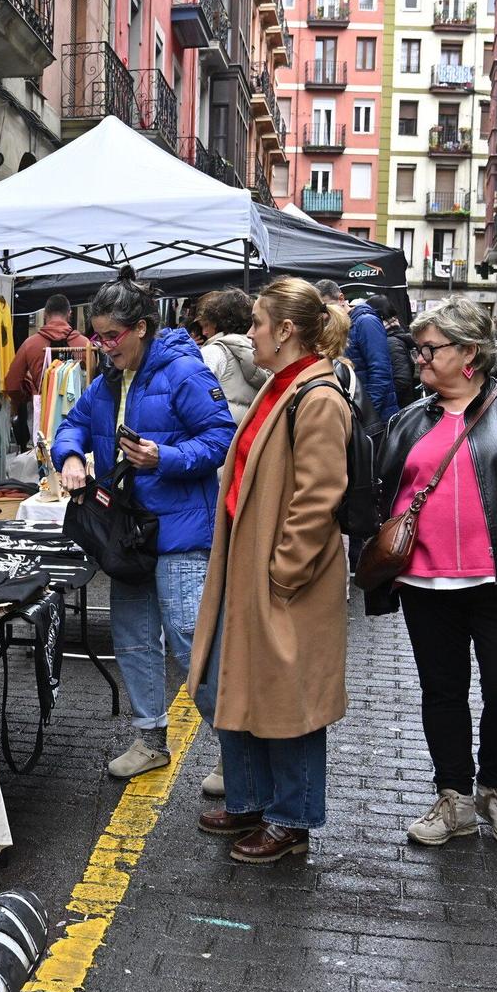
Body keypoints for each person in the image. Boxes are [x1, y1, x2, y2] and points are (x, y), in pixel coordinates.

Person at [369, 296, 497, 851]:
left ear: (469, 352)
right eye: (418, 349)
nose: (418, 358)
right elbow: (385, 494)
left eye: (429, 348)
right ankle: (454, 797)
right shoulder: (408, 419)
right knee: (442, 691)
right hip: (426, 582)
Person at [187, 279, 352, 864]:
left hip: (284, 579)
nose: (249, 331)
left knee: (291, 699)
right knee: (240, 685)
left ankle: (291, 818)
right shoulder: (281, 386)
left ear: (285, 331)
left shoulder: (318, 397)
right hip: (250, 568)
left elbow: (318, 498)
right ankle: (253, 800)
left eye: (257, 322)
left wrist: (283, 573)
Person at [55, 267, 236, 780]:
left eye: (112, 336)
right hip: (127, 532)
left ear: (142, 327)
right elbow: (72, 423)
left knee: (188, 638)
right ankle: (150, 739)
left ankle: (232, 750)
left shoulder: (184, 371)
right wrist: (69, 456)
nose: (104, 345)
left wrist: (165, 457)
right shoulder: (107, 379)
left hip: (178, 531)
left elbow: (222, 436)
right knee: (132, 634)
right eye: (98, 335)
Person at [320, 280, 400, 422]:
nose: (324, 315)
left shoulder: (365, 322)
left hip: (374, 418)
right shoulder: (339, 327)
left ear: (341, 299)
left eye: (326, 307)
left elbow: (380, 371)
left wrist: (364, 413)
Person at [3, 294, 91, 415]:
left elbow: (12, 384)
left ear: (44, 313)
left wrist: (26, 397)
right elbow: (92, 382)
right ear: (69, 314)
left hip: (44, 414)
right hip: (77, 414)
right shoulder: (85, 344)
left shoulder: (30, 344)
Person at [193, 287, 269, 424]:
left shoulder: (214, 352)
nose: (204, 332)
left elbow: (194, 395)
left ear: (218, 322)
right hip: (248, 430)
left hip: (219, 432)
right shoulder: (257, 347)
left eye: (206, 325)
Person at [384, 306, 420, 407]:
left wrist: (389, 399)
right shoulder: (398, 339)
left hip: (401, 403)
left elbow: (402, 379)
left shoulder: (392, 342)